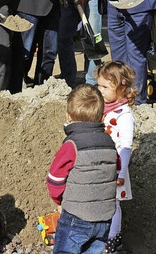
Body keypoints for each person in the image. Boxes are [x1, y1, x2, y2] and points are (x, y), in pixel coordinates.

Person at [46, 84, 118, 254]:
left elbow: (54, 180)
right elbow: (116, 168)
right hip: (104, 218)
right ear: (102, 118)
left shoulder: (72, 145)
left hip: (76, 217)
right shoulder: (110, 143)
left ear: (68, 116)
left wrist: (59, 201)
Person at [95, 61, 137, 253]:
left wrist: (121, 172)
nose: (100, 90)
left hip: (116, 167)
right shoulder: (103, 109)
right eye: (99, 85)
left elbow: (126, 146)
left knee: (113, 204)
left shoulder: (124, 115)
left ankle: (112, 240)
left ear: (121, 88)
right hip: (99, 165)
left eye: (105, 86)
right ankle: (100, 236)